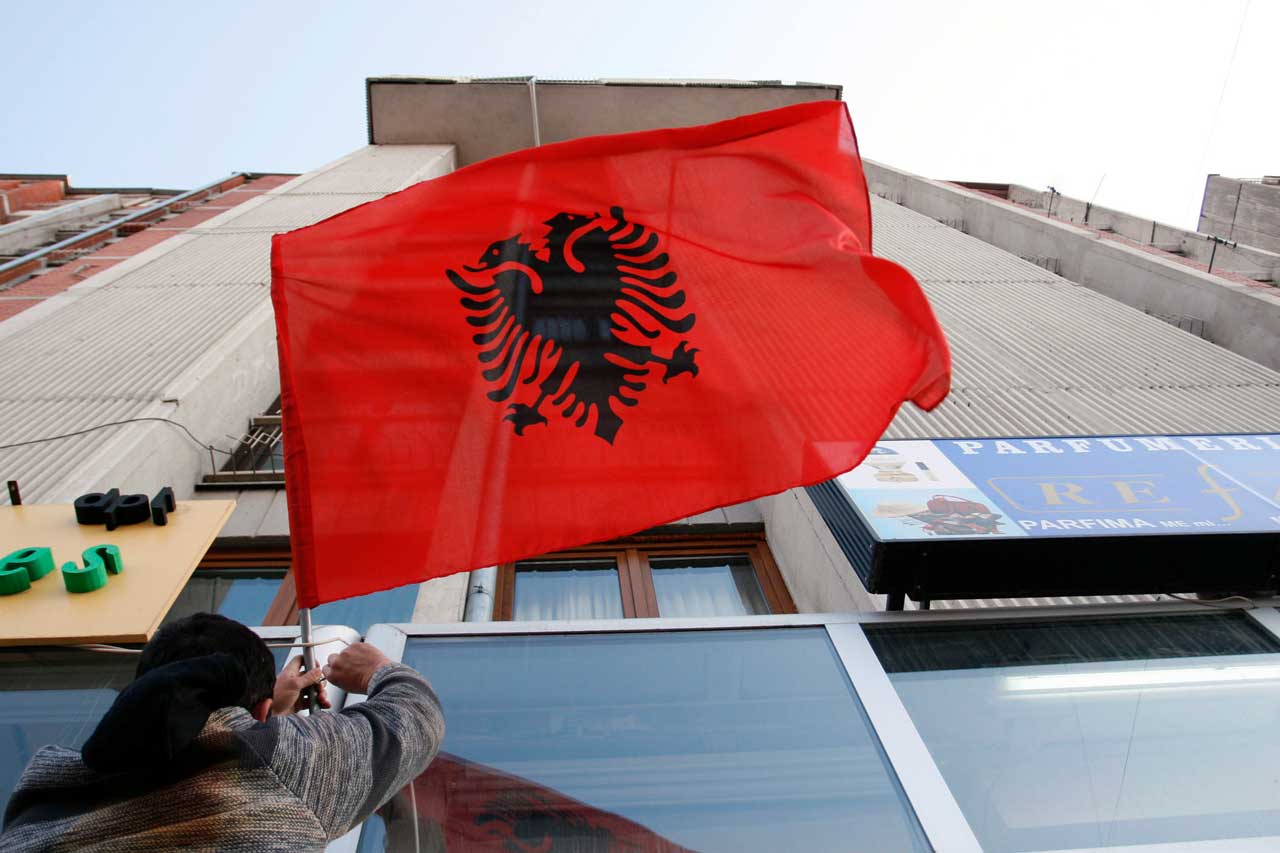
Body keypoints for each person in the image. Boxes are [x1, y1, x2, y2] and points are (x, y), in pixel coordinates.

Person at [0, 613, 443, 852]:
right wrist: (377, 668)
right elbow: (417, 717)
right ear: (260, 708)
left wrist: (263, 722)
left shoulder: (42, 798)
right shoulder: (274, 765)